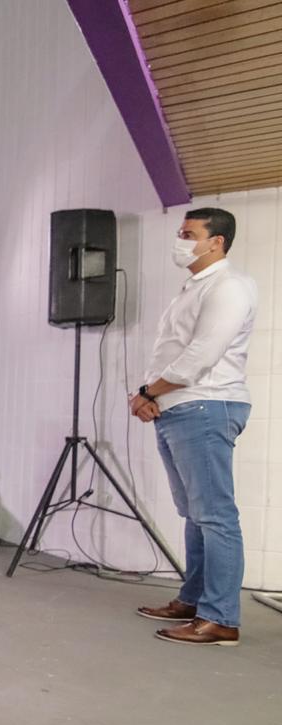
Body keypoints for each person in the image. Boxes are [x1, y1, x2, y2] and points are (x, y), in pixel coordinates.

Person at [132, 208, 256, 647]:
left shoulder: (230, 286)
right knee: (194, 514)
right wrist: (154, 397)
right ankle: (195, 600)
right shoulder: (193, 288)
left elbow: (202, 354)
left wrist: (148, 390)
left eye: (189, 234)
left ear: (216, 241)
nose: (180, 240)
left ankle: (220, 617)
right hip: (179, 408)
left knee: (215, 515)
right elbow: (175, 352)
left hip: (206, 406)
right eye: (180, 232)